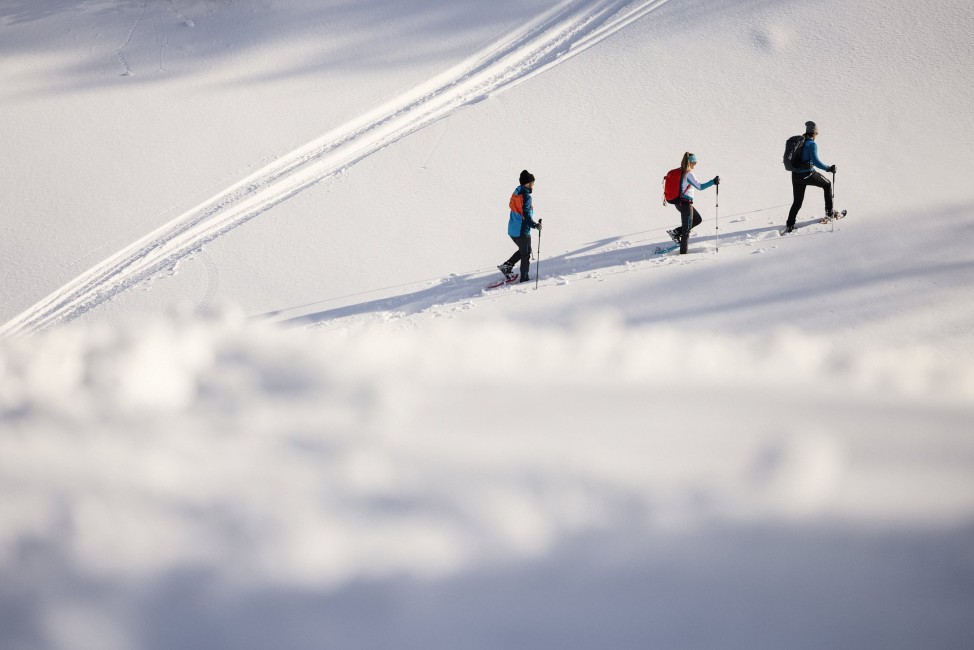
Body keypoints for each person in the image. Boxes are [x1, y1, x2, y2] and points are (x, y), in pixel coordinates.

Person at [785, 120, 837, 233]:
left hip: (795, 176)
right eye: (817, 133)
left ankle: (790, 224)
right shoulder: (811, 144)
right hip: (807, 174)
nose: (817, 136)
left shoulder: (800, 142)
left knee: (797, 202)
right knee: (827, 184)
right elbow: (816, 162)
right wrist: (829, 168)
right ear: (814, 133)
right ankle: (829, 213)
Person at [667, 153, 719, 254]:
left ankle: (676, 232)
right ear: (690, 162)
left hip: (680, 203)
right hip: (685, 204)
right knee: (686, 231)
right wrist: (713, 182)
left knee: (697, 219)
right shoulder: (688, 174)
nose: (696, 163)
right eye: (694, 162)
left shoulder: (681, 171)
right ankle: (683, 254)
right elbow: (700, 187)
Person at [498, 169, 541, 282]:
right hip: (522, 231)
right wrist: (535, 225)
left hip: (512, 229)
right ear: (529, 183)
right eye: (533, 183)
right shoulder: (526, 197)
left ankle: (507, 266)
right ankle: (524, 278)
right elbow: (526, 216)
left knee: (525, 250)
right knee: (525, 254)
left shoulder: (516, 193)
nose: (533, 185)